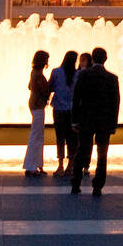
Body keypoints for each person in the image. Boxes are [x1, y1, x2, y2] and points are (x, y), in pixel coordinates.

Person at [70, 47, 120, 195]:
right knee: (102, 154)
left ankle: (76, 183)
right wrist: (113, 123)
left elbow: (76, 98)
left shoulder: (84, 75)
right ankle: (98, 186)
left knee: (82, 151)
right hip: (104, 122)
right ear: (106, 59)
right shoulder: (112, 78)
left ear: (92, 59)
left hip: (86, 120)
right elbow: (115, 103)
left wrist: (74, 120)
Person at [48, 51, 81, 179]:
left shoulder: (56, 72)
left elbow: (50, 87)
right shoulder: (78, 74)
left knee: (60, 138)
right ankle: (70, 166)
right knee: (72, 138)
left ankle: (60, 165)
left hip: (58, 109)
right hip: (73, 111)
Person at [24, 50, 50, 177]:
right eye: (46, 59)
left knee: (37, 135)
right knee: (36, 136)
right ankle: (31, 166)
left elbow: (29, 86)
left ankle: (37, 165)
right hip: (38, 105)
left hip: (34, 104)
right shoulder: (38, 75)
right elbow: (44, 89)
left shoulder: (34, 73)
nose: (47, 62)